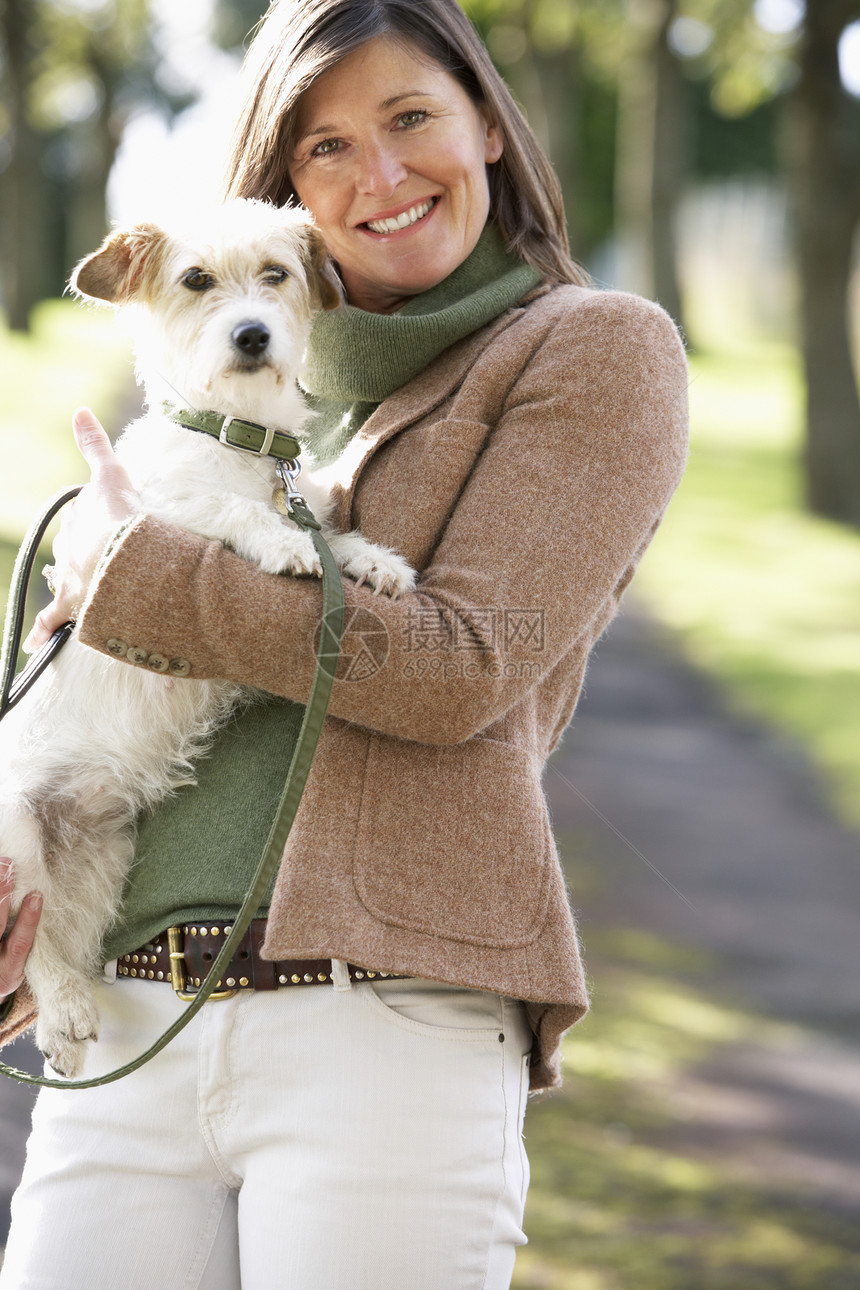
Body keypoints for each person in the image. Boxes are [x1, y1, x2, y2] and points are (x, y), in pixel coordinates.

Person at [0, 0, 688, 1285]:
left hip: (381, 1023)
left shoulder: (585, 349)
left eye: (410, 117)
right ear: (285, 190)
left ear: (487, 124)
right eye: (324, 146)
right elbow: (74, 677)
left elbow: (457, 668)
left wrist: (139, 573)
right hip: (131, 1014)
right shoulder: (272, 409)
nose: (375, 174)